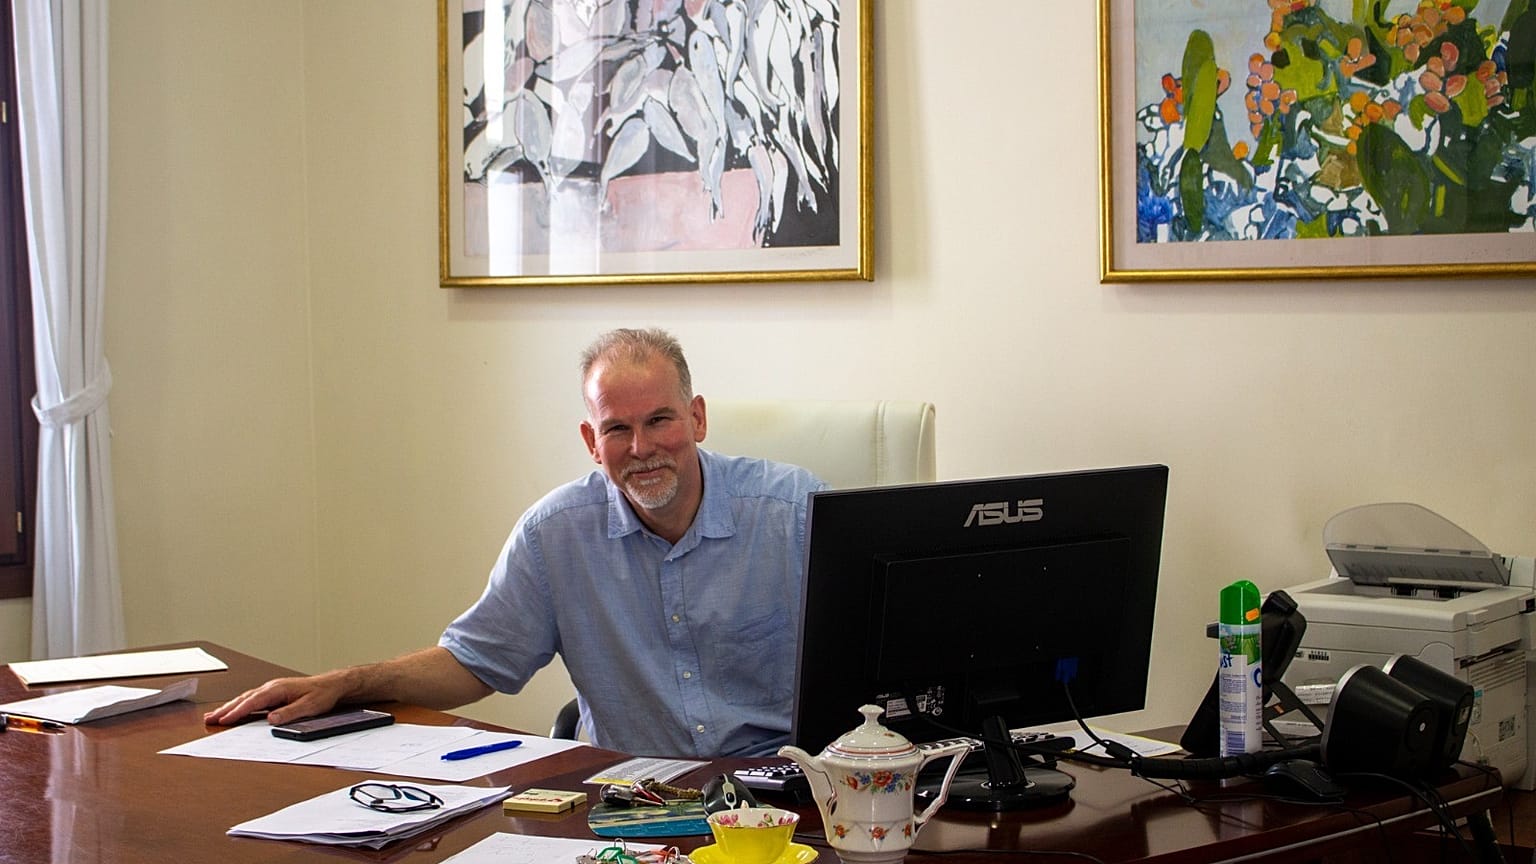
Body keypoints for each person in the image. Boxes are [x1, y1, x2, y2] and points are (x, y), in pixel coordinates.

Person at [205, 328, 826, 757]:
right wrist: (346, 682)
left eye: (659, 420)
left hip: (782, 795)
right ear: (591, 440)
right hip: (632, 801)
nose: (641, 448)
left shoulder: (793, 511)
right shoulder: (555, 534)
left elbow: (880, 661)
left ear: (696, 418)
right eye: (617, 429)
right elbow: (473, 663)